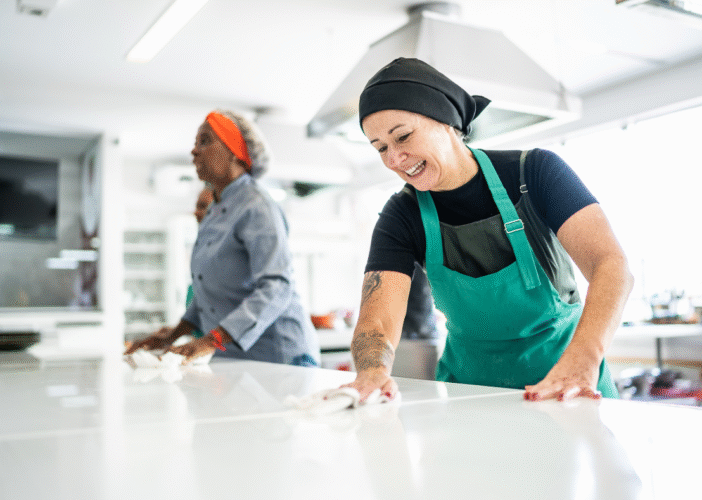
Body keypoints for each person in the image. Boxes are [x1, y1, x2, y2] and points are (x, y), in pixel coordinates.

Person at [344, 58, 633, 402]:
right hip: (470, 396)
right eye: (380, 148)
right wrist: (373, 371)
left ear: (446, 121)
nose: (393, 159)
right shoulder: (403, 214)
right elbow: (376, 320)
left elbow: (610, 265)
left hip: (567, 385)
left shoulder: (534, 173)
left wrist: (583, 360)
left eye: (402, 136)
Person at [125, 110, 320, 367]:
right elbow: (208, 291)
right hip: (236, 356)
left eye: (205, 141)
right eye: (195, 144)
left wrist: (208, 341)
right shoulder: (216, 210)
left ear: (235, 152)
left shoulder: (256, 206)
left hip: (279, 356)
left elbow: (276, 286)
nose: (194, 152)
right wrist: (171, 335)